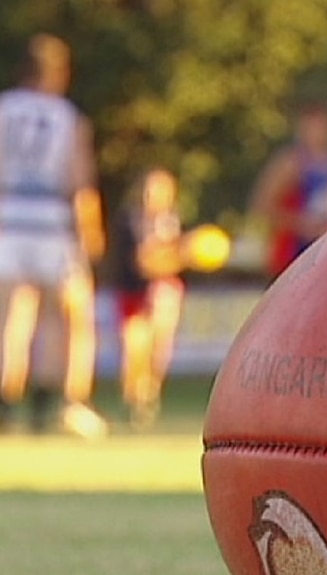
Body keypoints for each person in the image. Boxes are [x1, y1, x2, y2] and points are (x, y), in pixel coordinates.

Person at [0, 34, 107, 435]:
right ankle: (52, 405)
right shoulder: (66, 116)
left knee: (10, 318)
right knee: (61, 320)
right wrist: (91, 234)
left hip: (8, 219)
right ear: (58, 72)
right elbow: (80, 181)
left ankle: (6, 402)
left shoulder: (4, 109)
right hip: (52, 222)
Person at [113, 168, 184, 428]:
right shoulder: (130, 222)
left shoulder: (174, 222)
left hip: (165, 291)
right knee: (135, 349)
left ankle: (149, 396)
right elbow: (141, 263)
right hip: (134, 292)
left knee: (159, 348)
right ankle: (134, 400)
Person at [250, 105, 327, 279]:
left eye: (324, 127)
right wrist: (301, 224)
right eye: (314, 127)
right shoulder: (291, 164)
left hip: (323, 253)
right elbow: (262, 206)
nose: (319, 133)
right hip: (291, 254)